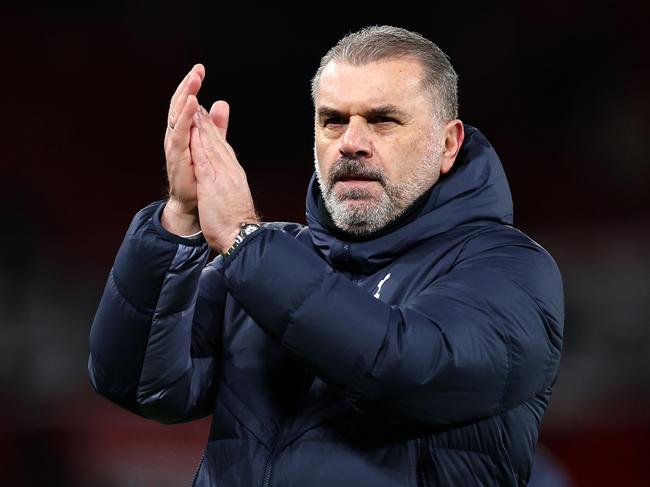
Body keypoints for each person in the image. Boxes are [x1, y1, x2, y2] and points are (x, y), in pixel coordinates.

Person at [88, 25, 564, 486]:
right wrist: (179, 216)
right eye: (333, 120)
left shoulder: (509, 270)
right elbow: (140, 385)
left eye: (383, 120)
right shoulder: (268, 259)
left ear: (447, 144)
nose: (351, 142)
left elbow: (407, 372)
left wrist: (245, 242)